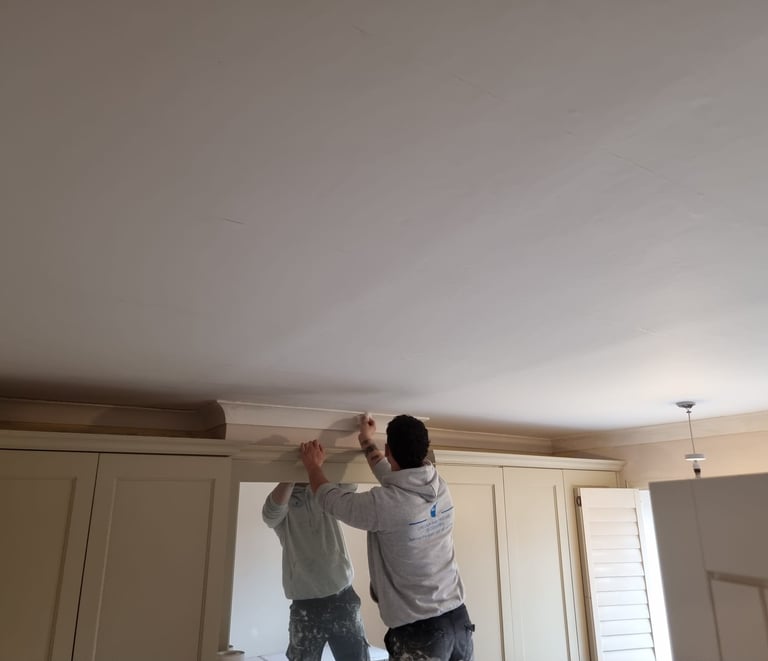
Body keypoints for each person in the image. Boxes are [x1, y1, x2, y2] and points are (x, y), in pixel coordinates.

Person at [299, 414, 474, 661]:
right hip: (459, 621)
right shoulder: (438, 485)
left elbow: (332, 500)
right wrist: (365, 440)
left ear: (388, 450)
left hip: (421, 632)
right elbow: (392, 475)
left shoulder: (384, 505)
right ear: (424, 449)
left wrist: (313, 467)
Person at [262, 481, 371, 661]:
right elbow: (270, 514)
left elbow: (349, 485)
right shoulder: (284, 501)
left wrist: (317, 472)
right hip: (305, 605)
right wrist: (290, 477)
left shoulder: (325, 492)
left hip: (342, 597)